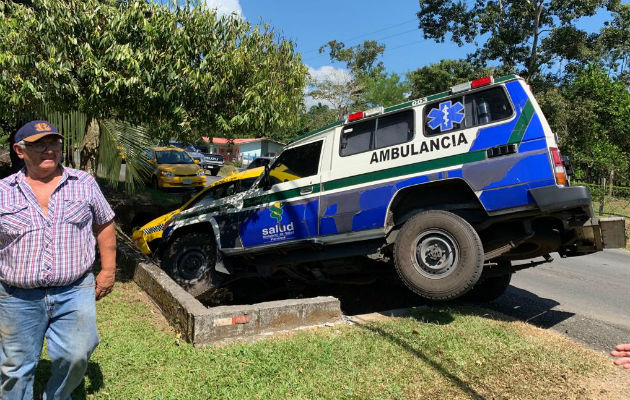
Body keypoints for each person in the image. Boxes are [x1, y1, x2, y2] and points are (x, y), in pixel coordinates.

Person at [0, 121, 116, 399]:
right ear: (20, 150)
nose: (49, 149)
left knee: (77, 355)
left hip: (74, 290)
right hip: (17, 296)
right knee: (15, 367)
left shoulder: (83, 183)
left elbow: (105, 224)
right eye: (40, 143)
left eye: (54, 143)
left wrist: (109, 270)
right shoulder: (3, 191)